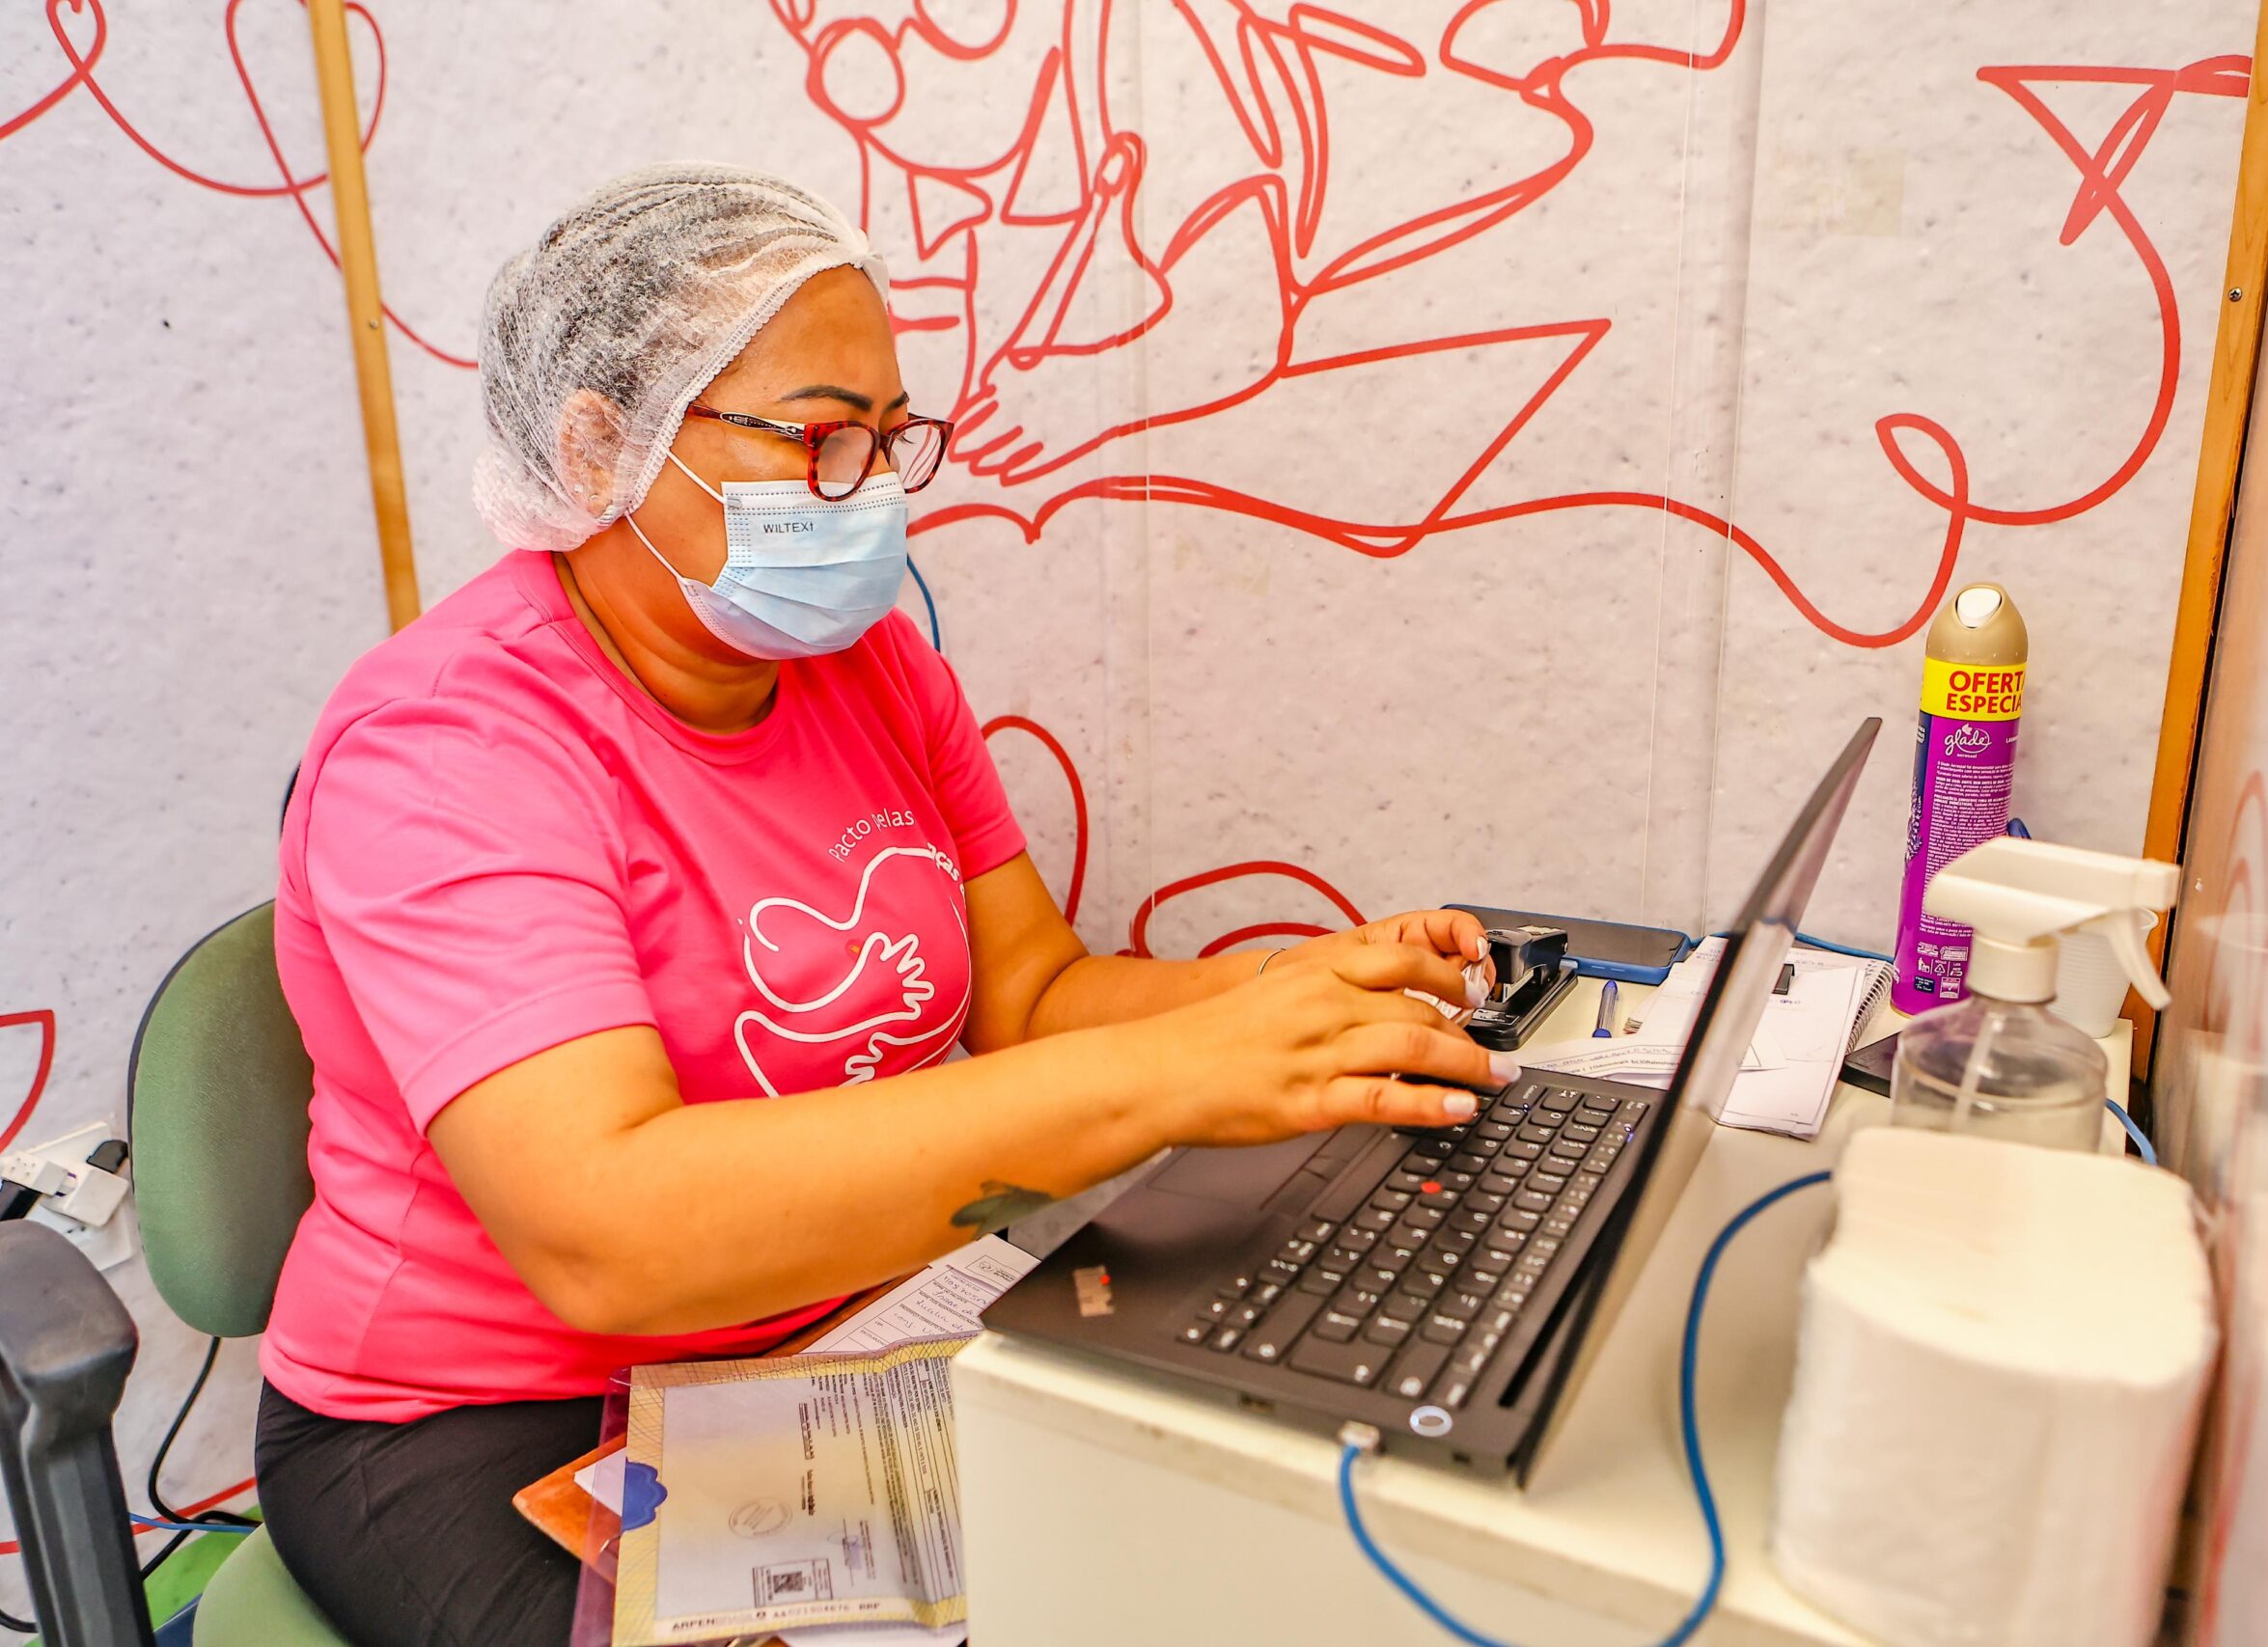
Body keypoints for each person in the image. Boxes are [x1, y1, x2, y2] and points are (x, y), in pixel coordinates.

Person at [253, 163, 1504, 1647]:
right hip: (487, 1418)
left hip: (848, 1331)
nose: (877, 490)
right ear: (597, 449)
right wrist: (1176, 1075)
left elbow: (1031, 995)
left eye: (892, 438)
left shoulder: (872, 669)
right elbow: (610, 1234)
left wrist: (1300, 1001)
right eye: (821, 437)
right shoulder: (449, 748)